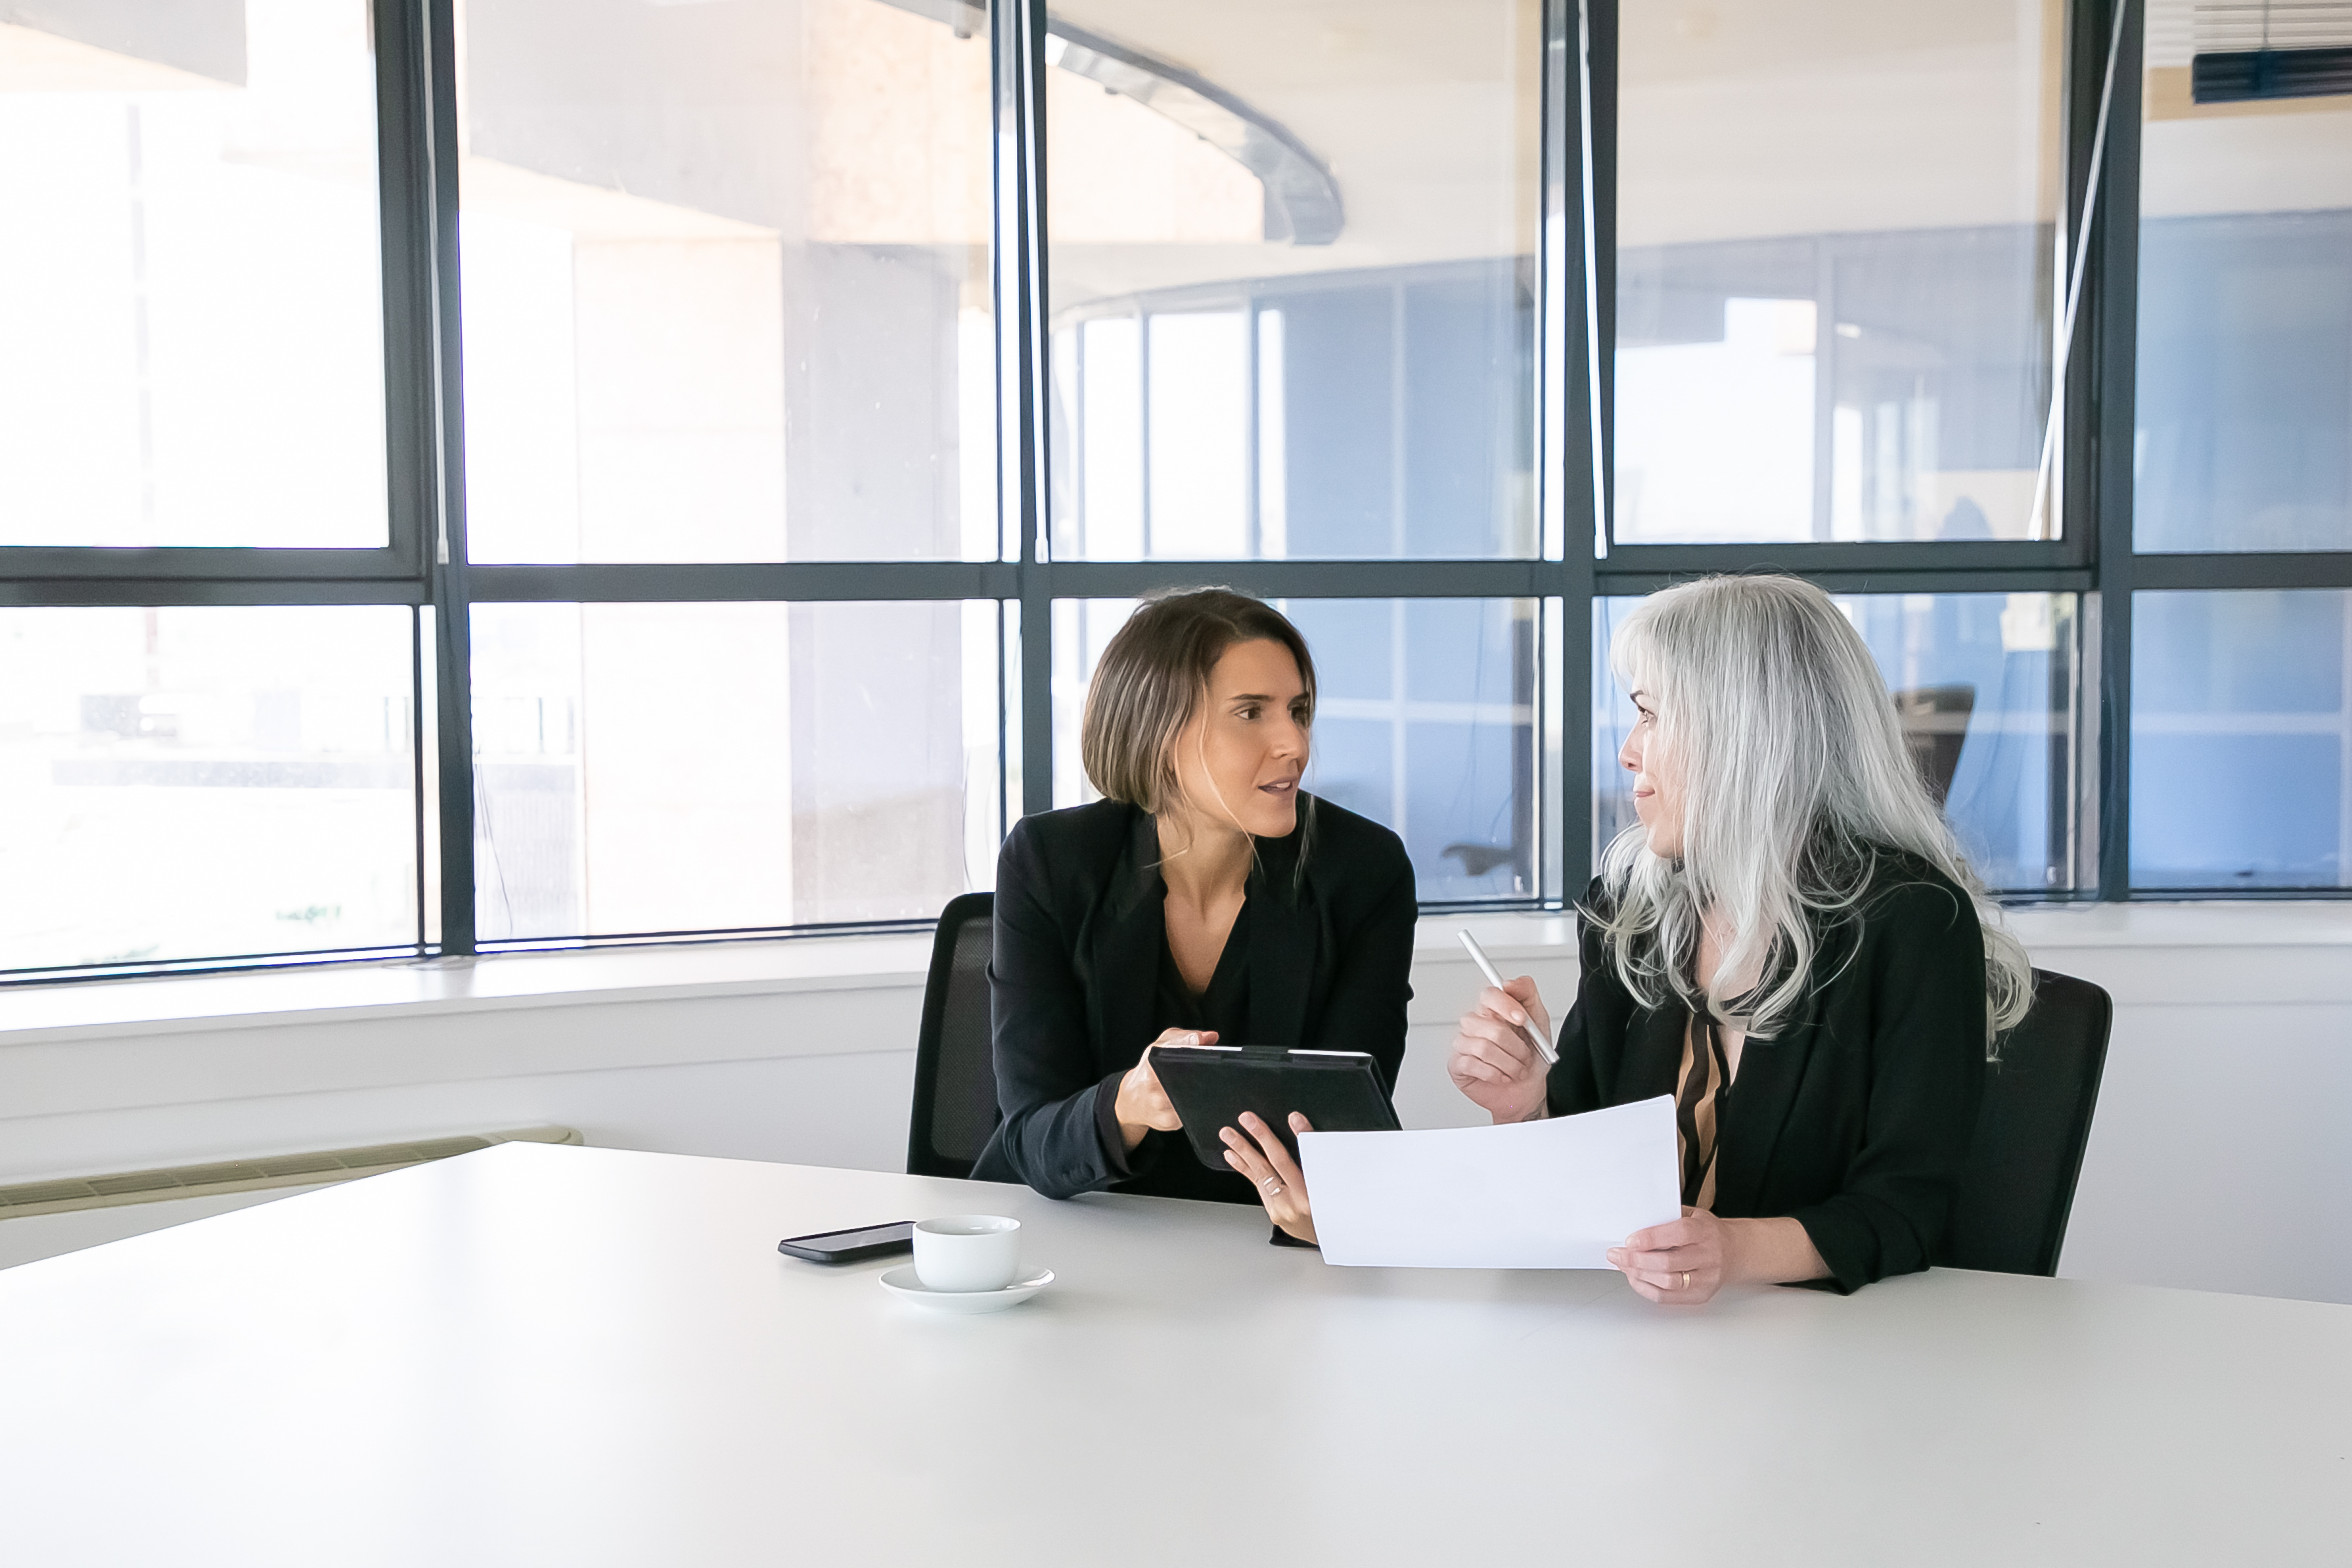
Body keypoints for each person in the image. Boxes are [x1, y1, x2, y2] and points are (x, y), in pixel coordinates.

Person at [1448, 574, 2033, 1300]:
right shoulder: (1629, 909)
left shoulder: (1910, 921)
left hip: (1829, 1359)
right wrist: (1523, 1105)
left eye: (1649, 715)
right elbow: (1584, 1160)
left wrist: (1731, 1247)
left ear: (1745, 733)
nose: (1629, 751)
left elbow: (1905, 1208)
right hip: (1637, 1348)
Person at [972, 589, 1416, 1244]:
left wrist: (1321, 1213)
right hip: (1070, 1237)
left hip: (1260, 1256)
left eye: (1297, 711)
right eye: (1250, 713)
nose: (1293, 742)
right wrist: (1133, 1099)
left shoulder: (1362, 871)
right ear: (1159, 731)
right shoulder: (1051, 862)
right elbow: (1032, 1137)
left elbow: (1347, 1138)